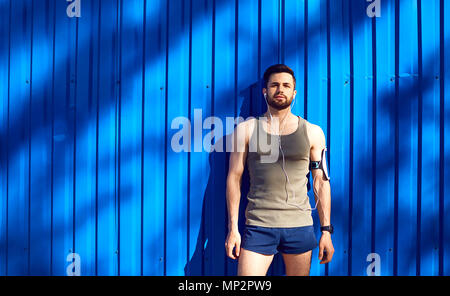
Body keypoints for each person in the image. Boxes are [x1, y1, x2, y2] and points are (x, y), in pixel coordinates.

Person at [225, 64, 334, 276]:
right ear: (265, 91)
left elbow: (321, 181)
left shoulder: (313, 132)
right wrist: (233, 229)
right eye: (274, 85)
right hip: (259, 225)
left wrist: (326, 231)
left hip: (299, 226)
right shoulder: (246, 130)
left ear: (294, 92)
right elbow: (234, 178)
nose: (280, 90)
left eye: (286, 85)